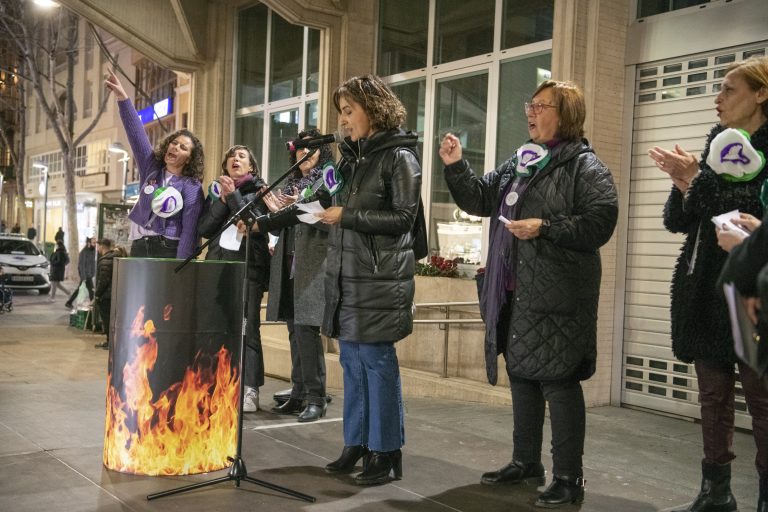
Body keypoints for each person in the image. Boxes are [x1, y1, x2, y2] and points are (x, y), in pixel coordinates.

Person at [439, 79, 618, 507]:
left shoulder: (586, 167)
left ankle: (569, 478)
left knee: (558, 383)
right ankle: (525, 462)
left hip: (559, 296)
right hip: (516, 293)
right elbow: (482, 199)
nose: (530, 112)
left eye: (541, 105)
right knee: (521, 377)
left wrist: (547, 227)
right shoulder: (522, 161)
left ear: (566, 114)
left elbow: (601, 221)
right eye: (530, 104)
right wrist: (456, 166)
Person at [648, 56, 768, 512]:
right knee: (712, 398)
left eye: (730, 90)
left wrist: (696, 180)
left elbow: (741, 209)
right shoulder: (716, 145)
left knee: (762, 402)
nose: (717, 99)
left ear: (761, 94)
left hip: (753, 292)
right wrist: (682, 183)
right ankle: (715, 490)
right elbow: (679, 220)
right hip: (704, 289)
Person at [316, 74, 422, 485]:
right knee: (351, 361)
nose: (343, 120)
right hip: (349, 277)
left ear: (373, 109)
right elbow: (341, 206)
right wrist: (325, 201)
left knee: (377, 363)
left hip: (379, 280)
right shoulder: (354, 159)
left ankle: (386, 451)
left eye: (348, 111)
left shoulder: (400, 157)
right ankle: (356, 443)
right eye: (341, 113)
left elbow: (403, 220)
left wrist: (347, 215)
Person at [255, 129, 333, 422]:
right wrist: (276, 211)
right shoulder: (293, 181)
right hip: (288, 263)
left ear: (321, 153)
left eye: (311, 149)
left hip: (313, 263)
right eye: (300, 150)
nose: (304, 154)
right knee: (293, 328)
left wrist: (298, 207)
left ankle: (316, 396)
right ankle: (299, 392)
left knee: (306, 329)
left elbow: (331, 219)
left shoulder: (328, 177)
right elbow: (279, 229)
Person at [198, 145, 271, 412]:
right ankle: (220, 383)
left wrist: (233, 197)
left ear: (251, 166)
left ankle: (250, 389)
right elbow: (205, 228)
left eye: (242, 156)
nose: (235, 159)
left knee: (247, 329)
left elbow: (255, 224)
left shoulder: (261, 191)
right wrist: (222, 199)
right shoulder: (218, 193)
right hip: (218, 267)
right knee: (217, 327)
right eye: (231, 156)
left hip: (247, 267)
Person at [105, 70, 204, 259]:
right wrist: (122, 97)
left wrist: (181, 265)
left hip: (168, 247)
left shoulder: (192, 187)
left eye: (182, 147)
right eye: (174, 143)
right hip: (139, 244)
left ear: (190, 158)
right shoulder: (151, 168)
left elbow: (190, 230)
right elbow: (136, 135)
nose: (175, 147)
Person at [93, 239, 117, 350]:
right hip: (113, 294)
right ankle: (111, 341)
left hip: (106, 296)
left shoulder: (105, 260)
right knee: (111, 319)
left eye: (98, 246)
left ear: (102, 247)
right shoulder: (115, 258)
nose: (97, 249)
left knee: (107, 319)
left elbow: (103, 280)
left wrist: (97, 295)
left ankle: (109, 342)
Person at [65, 238, 96, 309]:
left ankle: (69, 302)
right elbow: (81, 266)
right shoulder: (84, 252)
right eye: (93, 243)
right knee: (91, 291)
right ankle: (92, 305)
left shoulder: (93, 251)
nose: (95, 245)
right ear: (88, 243)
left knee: (80, 289)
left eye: (95, 243)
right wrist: (84, 277)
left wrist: (92, 273)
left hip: (89, 275)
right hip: (86, 275)